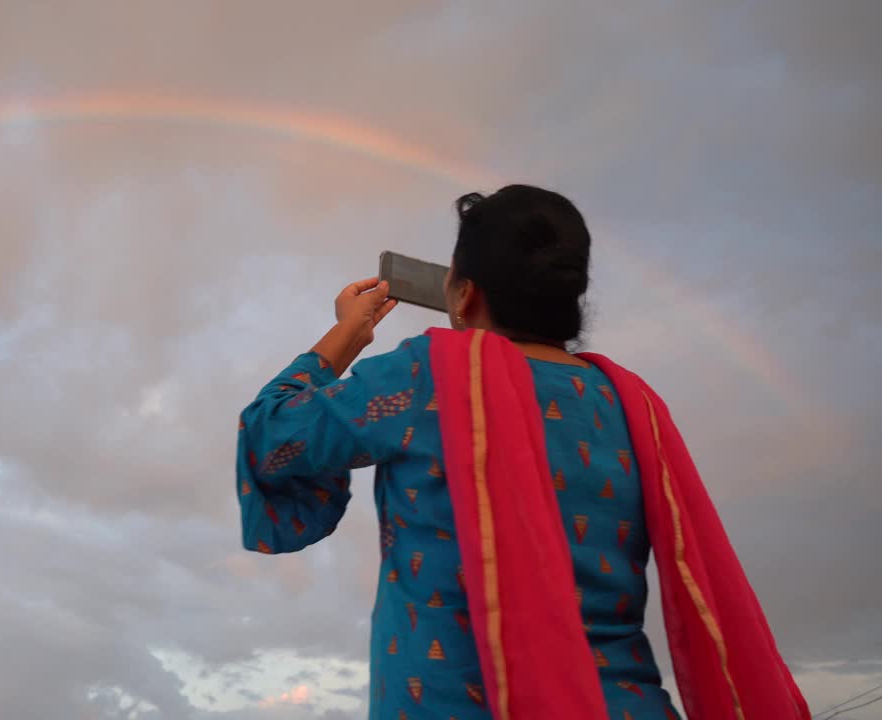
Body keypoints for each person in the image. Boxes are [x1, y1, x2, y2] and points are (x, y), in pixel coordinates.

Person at [235, 185, 809, 719]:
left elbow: (272, 435)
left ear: (464, 294)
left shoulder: (424, 377)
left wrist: (349, 334)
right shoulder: (634, 406)